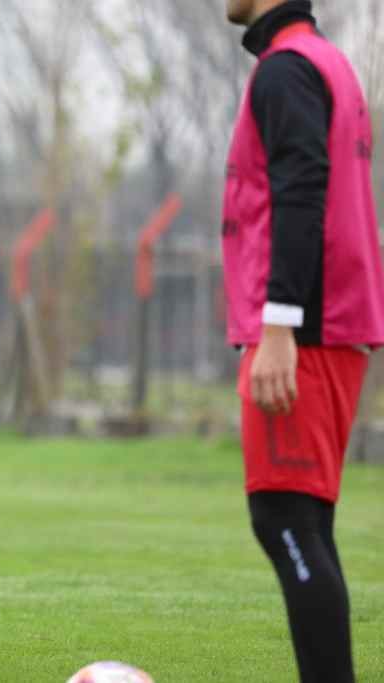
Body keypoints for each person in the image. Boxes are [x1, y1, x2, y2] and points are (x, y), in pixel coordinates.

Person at [223, 2, 384, 681]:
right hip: (333, 323)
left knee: (283, 514)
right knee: (304, 519)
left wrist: (280, 325)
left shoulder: (286, 69)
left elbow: (301, 191)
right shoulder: (326, 63)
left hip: (305, 329)